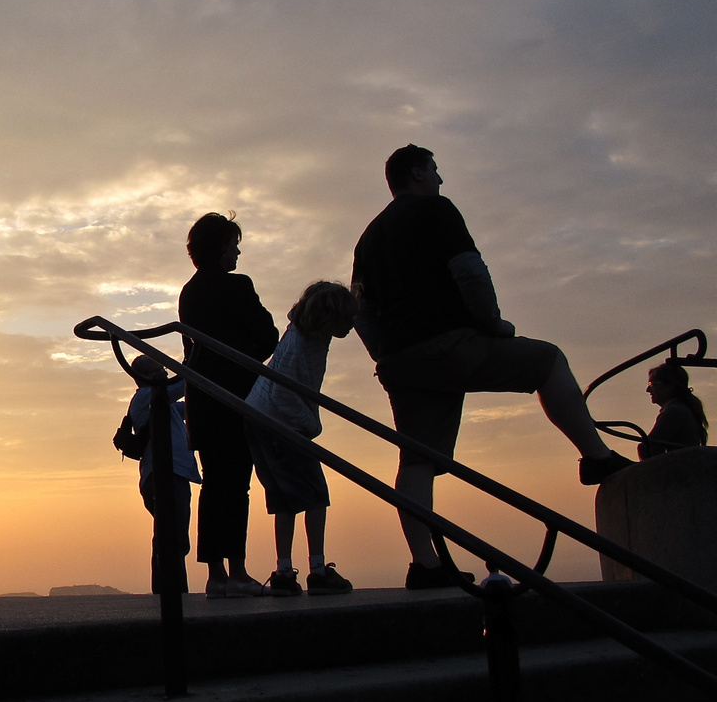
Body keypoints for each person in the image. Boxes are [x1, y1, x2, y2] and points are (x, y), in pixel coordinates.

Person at [351, 145, 631, 591]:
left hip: (401, 360)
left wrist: (383, 355)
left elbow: (360, 311)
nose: (441, 180)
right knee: (548, 360)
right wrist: (493, 323)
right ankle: (596, 458)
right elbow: (469, 272)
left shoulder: (368, 237)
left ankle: (425, 565)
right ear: (419, 173)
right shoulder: (436, 210)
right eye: (436, 170)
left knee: (417, 460)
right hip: (451, 343)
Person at [178, 212, 280, 599]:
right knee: (236, 486)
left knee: (215, 485)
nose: (237, 252)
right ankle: (237, 572)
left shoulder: (189, 292)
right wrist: (248, 353)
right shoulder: (238, 286)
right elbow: (268, 336)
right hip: (236, 397)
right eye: (234, 244)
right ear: (222, 247)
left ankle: (217, 575)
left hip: (202, 399)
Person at [245, 282, 358, 597]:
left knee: (285, 499)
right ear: (329, 317)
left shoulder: (304, 334)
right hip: (279, 422)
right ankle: (318, 571)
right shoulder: (303, 343)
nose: (352, 325)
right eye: (347, 319)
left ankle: (284, 571)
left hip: (260, 417)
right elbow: (285, 392)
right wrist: (311, 426)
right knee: (314, 495)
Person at [126, 356, 199, 595]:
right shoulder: (146, 398)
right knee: (171, 537)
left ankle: (172, 590)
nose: (167, 374)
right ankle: (171, 593)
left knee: (173, 536)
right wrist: (190, 366)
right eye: (161, 370)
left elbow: (187, 403)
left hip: (173, 474)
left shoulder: (162, 401)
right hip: (164, 475)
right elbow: (179, 388)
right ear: (146, 376)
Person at [638, 361, 708, 460]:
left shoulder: (674, 411)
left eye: (652, 384)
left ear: (669, 386)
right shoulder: (682, 408)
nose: (648, 390)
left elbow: (648, 448)